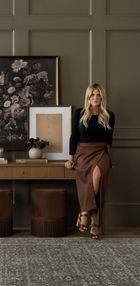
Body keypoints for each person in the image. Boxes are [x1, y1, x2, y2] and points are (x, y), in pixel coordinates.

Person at [65, 83, 115, 240]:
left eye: (98, 95)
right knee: (96, 187)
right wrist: (71, 157)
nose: (95, 98)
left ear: (102, 97)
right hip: (83, 152)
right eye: (92, 95)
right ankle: (95, 223)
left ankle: (84, 212)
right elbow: (74, 137)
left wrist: (110, 159)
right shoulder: (79, 113)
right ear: (88, 97)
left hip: (102, 152)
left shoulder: (109, 115)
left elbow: (109, 140)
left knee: (97, 177)